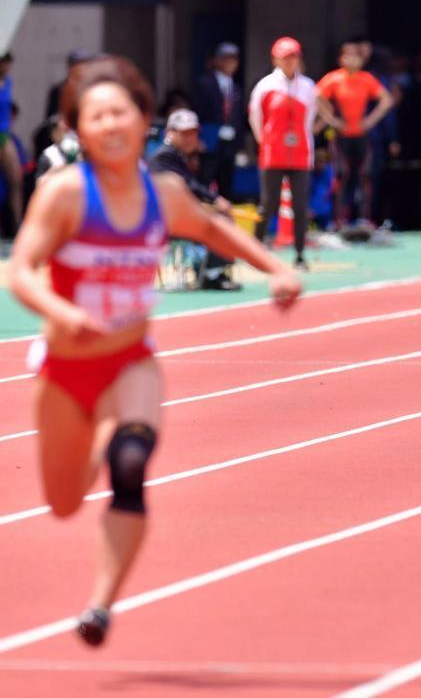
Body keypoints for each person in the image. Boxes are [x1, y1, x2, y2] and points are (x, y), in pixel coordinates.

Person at [8, 55, 301, 648]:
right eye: (97, 116)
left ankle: (100, 605)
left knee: (132, 464)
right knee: (64, 503)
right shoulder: (64, 194)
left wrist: (275, 268)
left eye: (122, 112)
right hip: (66, 372)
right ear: (78, 129)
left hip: (128, 362)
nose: (111, 124)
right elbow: (21, 270)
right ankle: (98, 434)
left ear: (144, 119)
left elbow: (214, 230)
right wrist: (63, 313)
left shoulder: (161, 194)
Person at [147, 109, 242, 290]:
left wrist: (201, 157)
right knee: (217, 221)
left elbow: (200, 182)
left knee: (220, 218)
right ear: (170, 132)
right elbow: (188, 185)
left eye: (193, 133)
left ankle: (213, 270)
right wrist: (215, 201)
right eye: (184, 133)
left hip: (178, 215)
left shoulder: (184, 156)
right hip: (163, 221)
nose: (190, 138)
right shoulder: (163, 156)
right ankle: (211, 274)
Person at [248, 36, 316, 268]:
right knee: (268, 204)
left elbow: (310, 120)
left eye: (294, 57)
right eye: (285, 57)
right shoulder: (265, 86)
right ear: (275, 59)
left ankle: (299, 254)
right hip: (272, 153)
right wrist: (265, 142)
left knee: (299, 206)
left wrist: (306, 145)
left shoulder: (307, 86)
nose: (290, 61)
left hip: (300, 155)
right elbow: (255, 117)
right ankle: (255, 251)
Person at [315, 40, 395, 228]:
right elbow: (316, 96)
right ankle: (338, 220)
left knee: (365, 175)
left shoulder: (366, 79)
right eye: (348, 55)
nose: (352, 60)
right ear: (341, 58)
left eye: (356, 56)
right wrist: (332, 120)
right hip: (341, 136)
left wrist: (370, 121)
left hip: (361, 135)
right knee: (341, 175)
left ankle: (363, 219)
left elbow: (386, 100)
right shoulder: (334, 78)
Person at [193, 42, 245, 201]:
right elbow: (197, 113)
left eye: (234, 59)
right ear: (217, 60)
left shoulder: (236, 88)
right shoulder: (204, 83)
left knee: (226, 184)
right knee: (205, 181)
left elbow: (239, 118)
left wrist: (239, 145)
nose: (231, 63)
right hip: (209, 141)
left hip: (229, 143)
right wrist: (198, 139)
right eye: (226, 59)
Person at [0, 53, 23, 227]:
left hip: (4, 136)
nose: (6, 67)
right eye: (4, 63)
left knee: (16, 180)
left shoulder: (8, 82)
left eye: (8, 63)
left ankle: (18, 226)